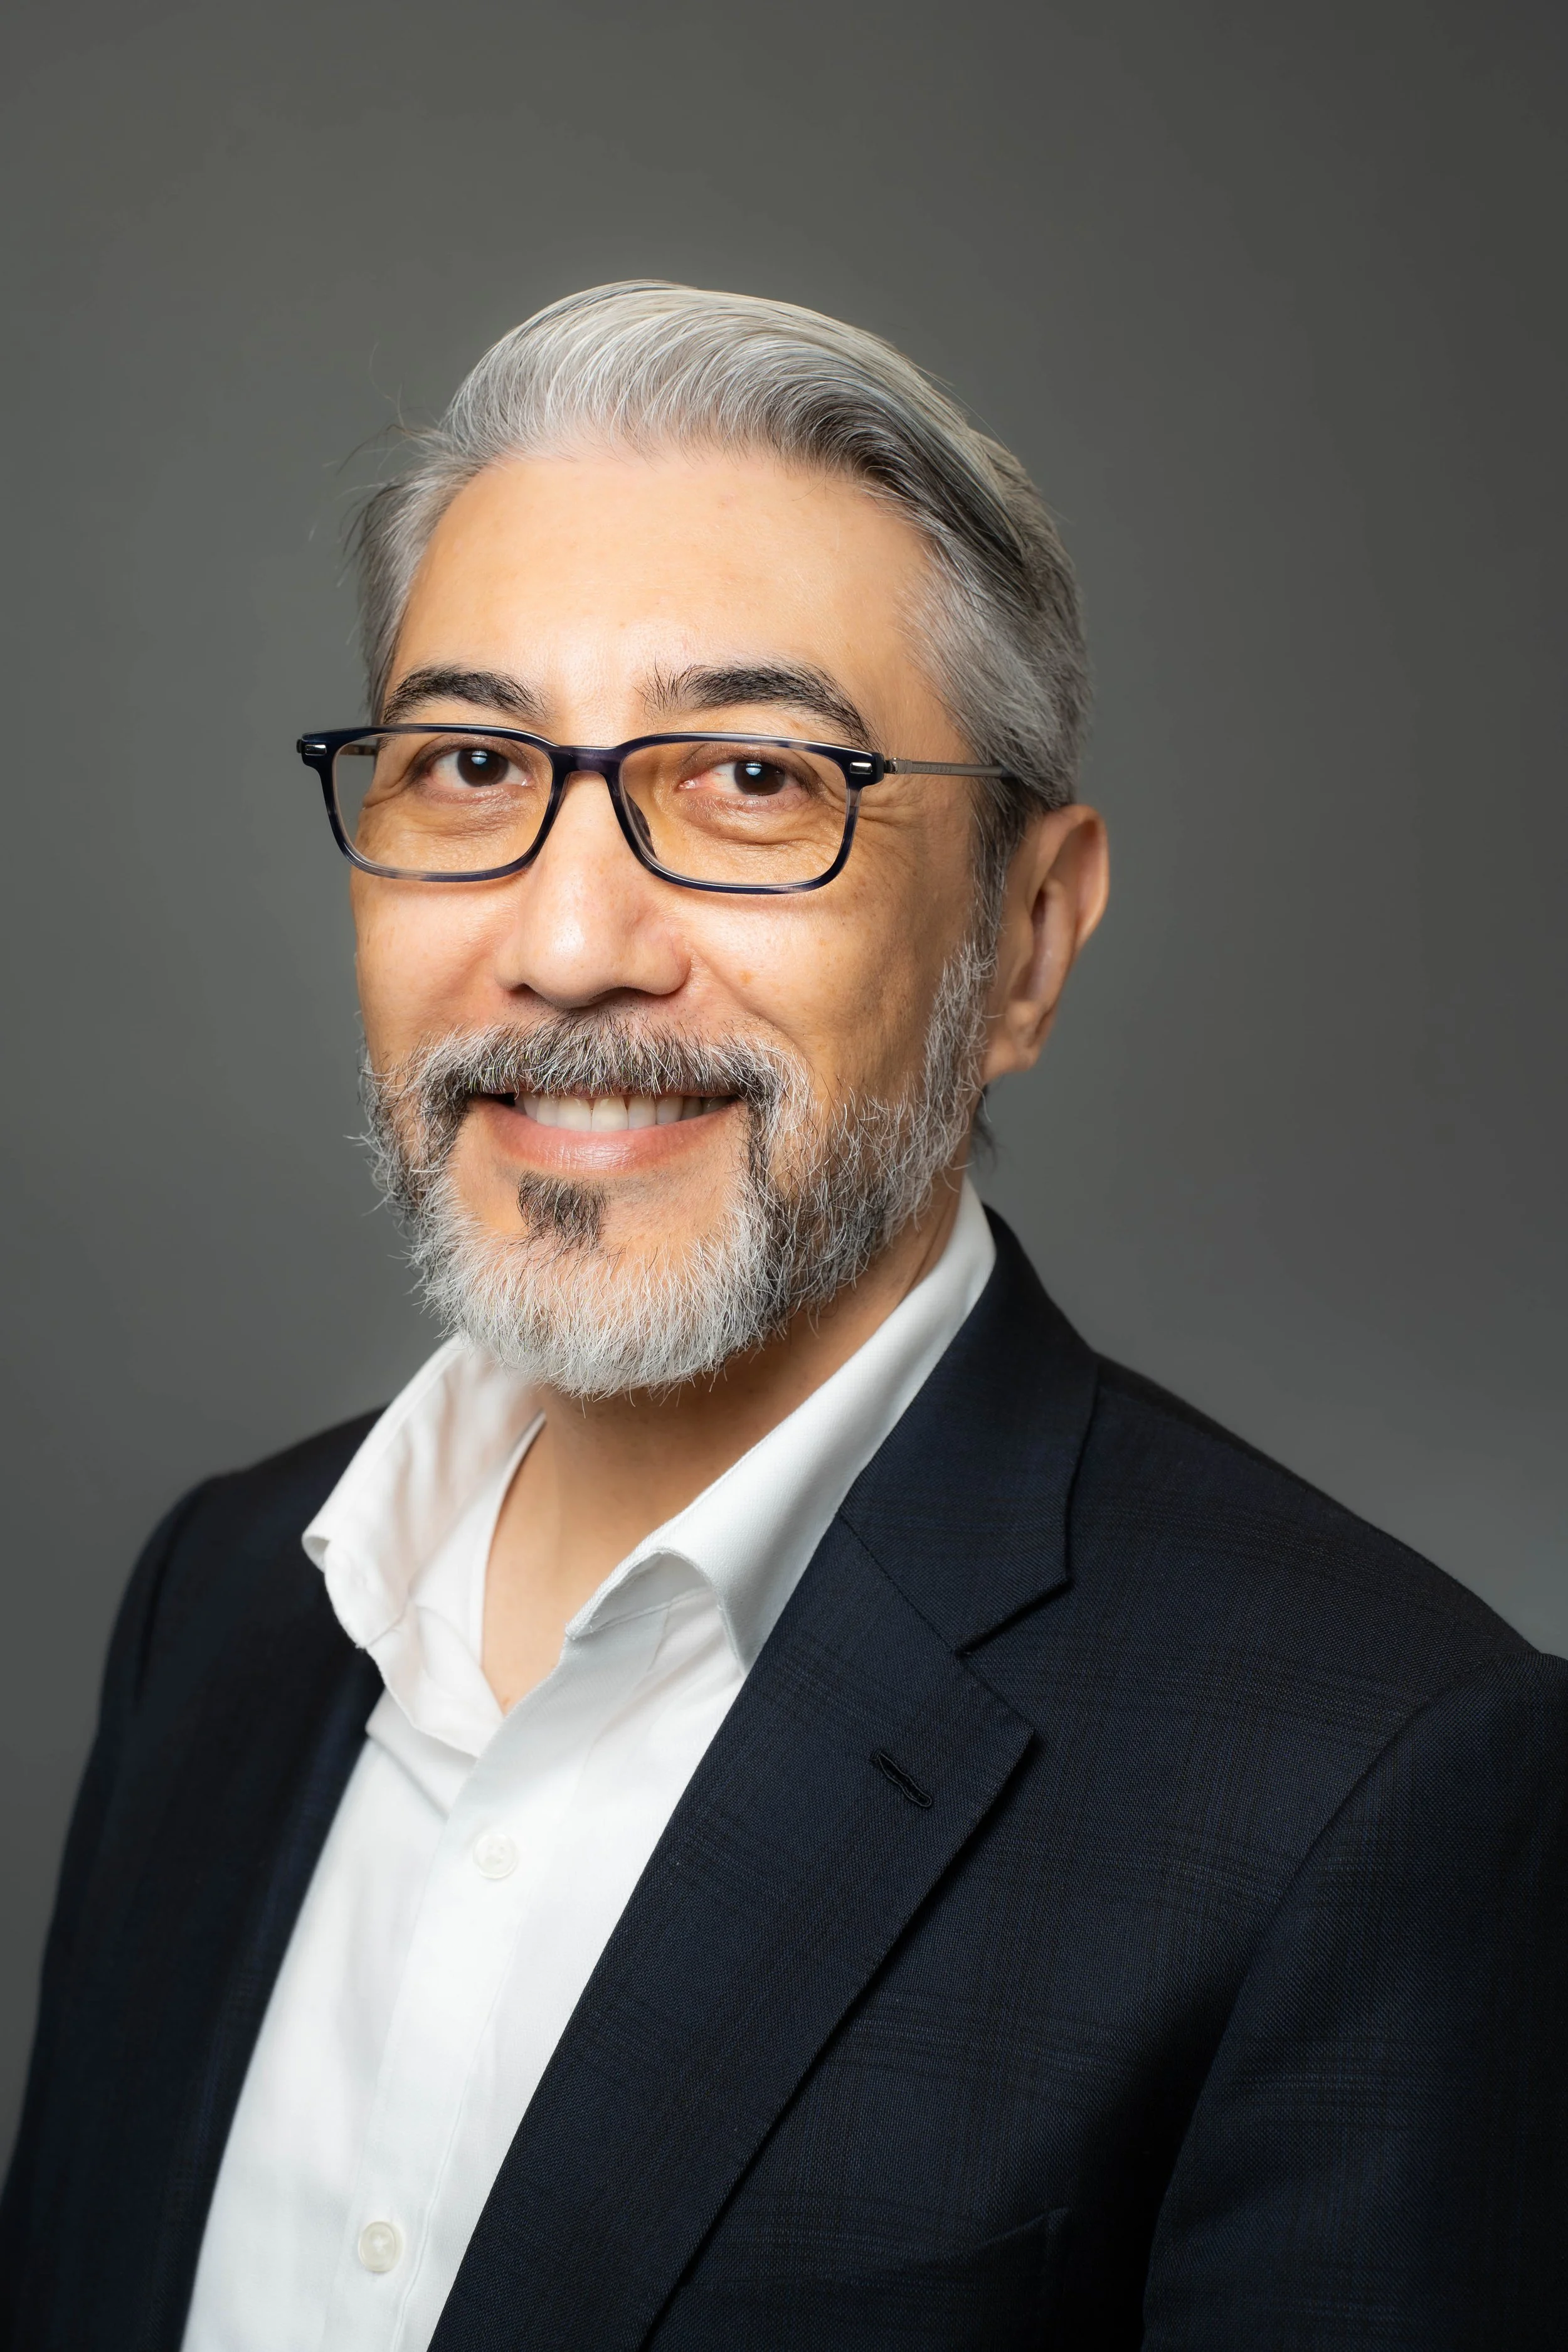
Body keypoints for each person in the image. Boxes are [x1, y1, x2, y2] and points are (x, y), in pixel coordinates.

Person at [2, 281, 1563, 2352]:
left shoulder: (1367, 1792)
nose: (566, 945)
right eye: (471, 762)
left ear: (1022, 940)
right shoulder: (216, 1602)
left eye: (752, 778)